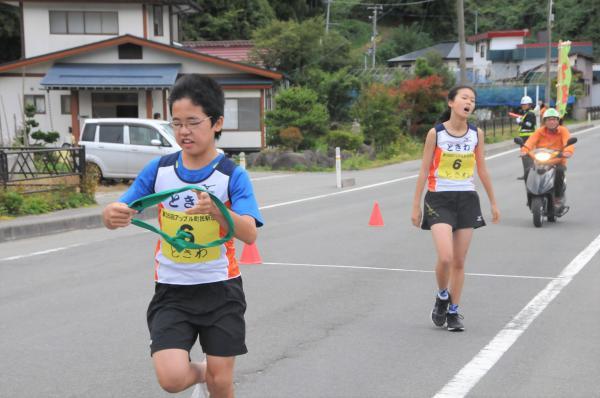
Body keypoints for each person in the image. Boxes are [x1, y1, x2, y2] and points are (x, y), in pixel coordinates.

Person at [102, 74, 263, 398]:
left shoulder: (231, 175)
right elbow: (123, 207)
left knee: (221, 385)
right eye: (176, 123)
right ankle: (213, 375)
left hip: (221, 289)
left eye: (192, 122)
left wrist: (219, 211)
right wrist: (111, 215)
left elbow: (249, 233)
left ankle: (219, 379)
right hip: (172, 290)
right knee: (172, 379)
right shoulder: (159, 170)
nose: (184, 132)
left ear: (216, 122)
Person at [411, 85, 500, 332]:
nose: (469, 102)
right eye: (464, 97)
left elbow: (482, 168)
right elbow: (424, 170)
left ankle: (453, 311)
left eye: (472, 99)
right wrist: (416, 205)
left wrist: (493, 202)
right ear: (451, 102)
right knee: (446, 256)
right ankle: (442, 295)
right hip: (439, 198)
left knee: (460, 261)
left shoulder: (476, 134)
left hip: (467, 199)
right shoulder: (436, 134)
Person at [520, 107, 574, 213]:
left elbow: (568, 143)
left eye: (554, 119)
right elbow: (530, 142)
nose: (552, 121)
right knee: (527, 172)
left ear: (558, 121)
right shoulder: (540, 131)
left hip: (557, 161)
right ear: (545, 121)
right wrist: (524, 150)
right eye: (549, 119)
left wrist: (567, 152)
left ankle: (558, 197)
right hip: (540, 160)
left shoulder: (563, 131)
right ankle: (530, 195)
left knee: (559, 171)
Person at [516, 96, 537, 180]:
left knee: (527, 156)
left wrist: (520, 122)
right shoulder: (527, 113)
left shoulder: (530, 114)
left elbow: (529, 125)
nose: (523, 106)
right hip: (524, 137)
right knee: (525, 156)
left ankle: (529, 174)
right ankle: (527, 174)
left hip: (528, 137)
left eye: (525, 105)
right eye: (522, 105)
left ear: (529, 105)